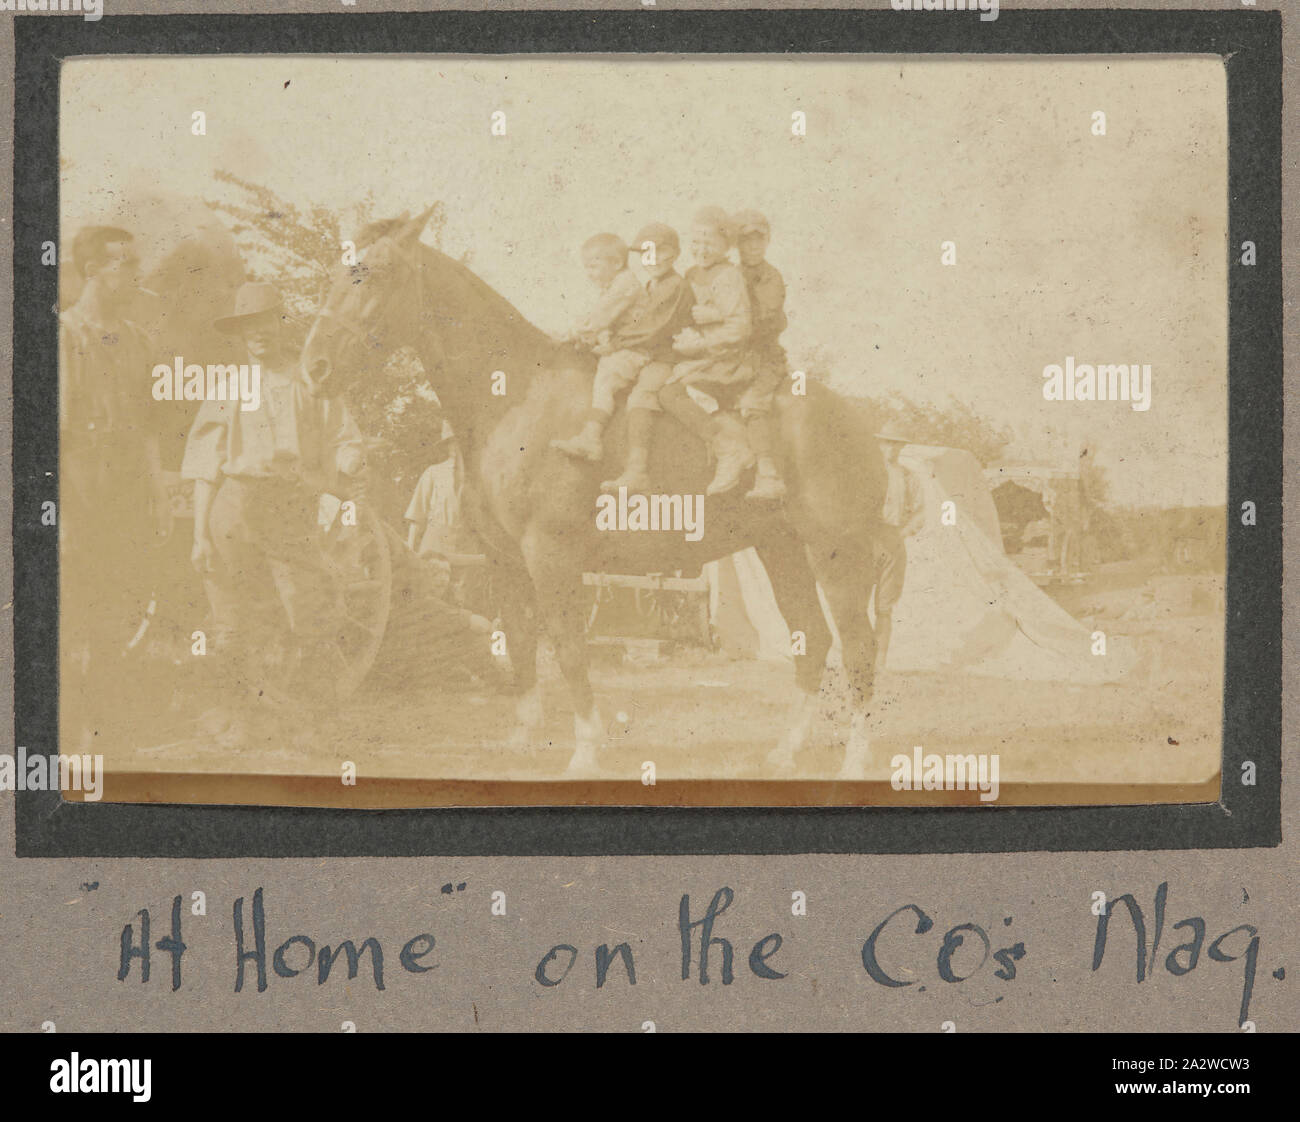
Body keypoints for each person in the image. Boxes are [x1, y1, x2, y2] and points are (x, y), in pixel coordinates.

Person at [181, 282, 367, 723]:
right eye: (248, 327)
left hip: (290, 508)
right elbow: (207, 467)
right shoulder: (228, 386)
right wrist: (199, 537)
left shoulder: (311, 384)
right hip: (234, 507)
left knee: (311, 613)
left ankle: (313, 723)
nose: (258, 334)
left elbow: (345, 440)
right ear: (240, 334)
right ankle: (237, 720)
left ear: (281, 324)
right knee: (232, 622)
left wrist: (344, 468)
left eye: (265, 322)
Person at [59, 224, 170, 744]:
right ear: (92, 272)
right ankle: (64, 725)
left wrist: (161, 495)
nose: (135, 272)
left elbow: (148, 428)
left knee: (119, 607)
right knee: (71, 607)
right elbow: (49, 439)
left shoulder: (138, 340)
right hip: (79, 495)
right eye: (123, 263)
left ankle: (104, 726)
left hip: (126, 496)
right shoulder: (63, 337)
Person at [657, 207, 757, 496]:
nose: (701, 249)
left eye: (710, 243)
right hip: (696, 353)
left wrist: (702, 340)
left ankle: (728, 448)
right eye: (696, 242)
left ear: (726, 246)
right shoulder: (691, 273)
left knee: (670, 392)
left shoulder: (728, 276)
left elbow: (740, 328)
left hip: (723, 357)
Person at [597, 221, 696, 493]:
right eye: (643, 254)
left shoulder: (675, 285)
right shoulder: (653, 284)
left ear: (674, 254)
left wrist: (616, 342)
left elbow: (653, 327)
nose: (649, 259)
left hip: (667, 358)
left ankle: (637, 471)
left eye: (656, 252)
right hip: (647, 354)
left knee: (641, 396)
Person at [550, 232, 647, 463]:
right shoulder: (614, 285)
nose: (589, 274)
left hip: (636, 350)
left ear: (616, 263)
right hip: (620, 345)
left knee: (605, 377)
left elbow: (599, 318)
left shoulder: (625, 284)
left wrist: (569, 334)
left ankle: (591, 437)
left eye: (593, 266)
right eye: (586, 268)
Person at [732, 209, 790, 501]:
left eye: (758, 240)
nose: (752, 247)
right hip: (731, 354)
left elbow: (765, 319)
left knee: (753, 401)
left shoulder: (771, 278)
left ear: (767, 241)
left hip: (764, 356)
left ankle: (767, 471)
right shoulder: (729, 273)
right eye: (745, 241)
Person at [873, 424, 926, 670]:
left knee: (884, 608)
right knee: (852, 603)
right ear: (878, 444)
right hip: (864, 540)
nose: (890, 448)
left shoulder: (907, 476)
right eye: (886, 442)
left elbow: (920, 512)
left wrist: (903, 533)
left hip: (892, 541)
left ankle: (880, 663)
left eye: (896, 443)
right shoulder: (864, 472)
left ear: (902, 447)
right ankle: (857, 658)